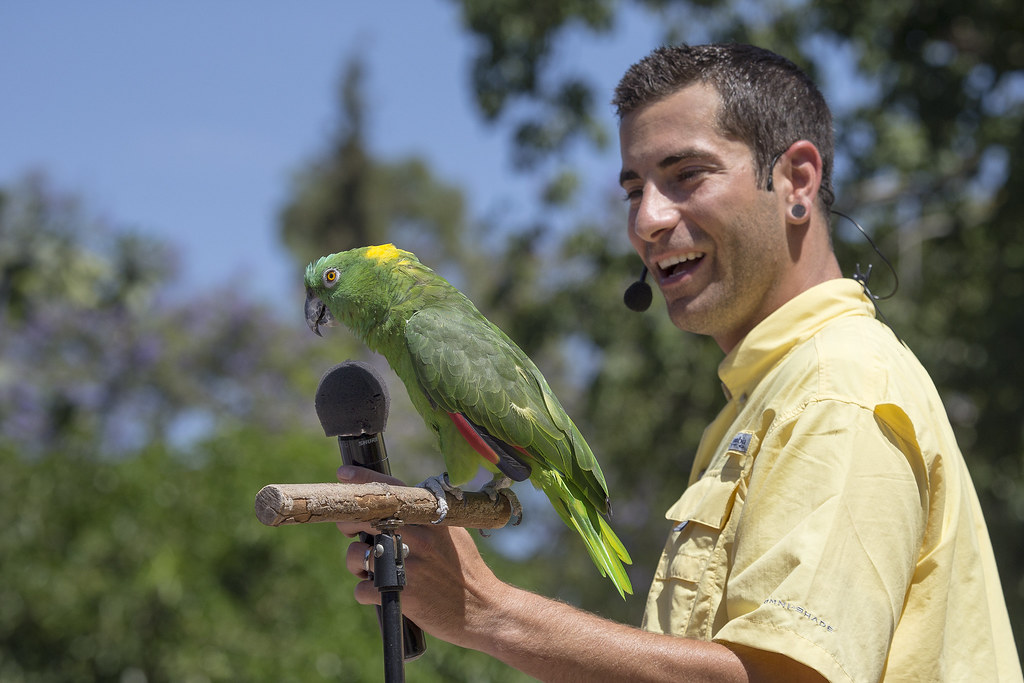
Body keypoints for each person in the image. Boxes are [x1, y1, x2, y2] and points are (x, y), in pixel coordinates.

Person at [337, 44, 1022, 682]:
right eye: (633, 190)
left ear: (797, 181)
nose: (647, 220)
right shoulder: (765, 398)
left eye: (687, 175)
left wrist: (490, 613)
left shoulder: (834, 391)